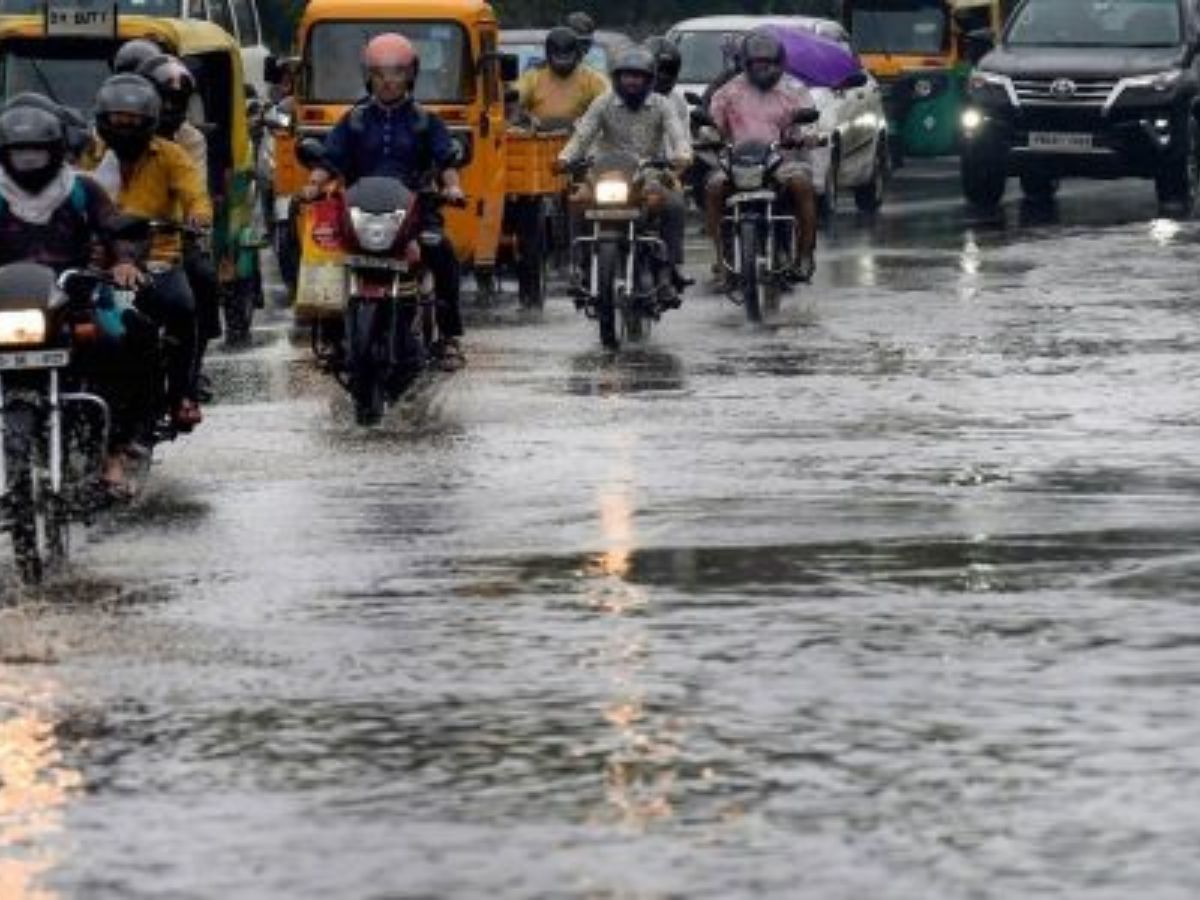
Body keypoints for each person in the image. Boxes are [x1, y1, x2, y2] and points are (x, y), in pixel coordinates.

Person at [0, 102, 147, 492]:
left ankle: (115, 449)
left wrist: (124, 263)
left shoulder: (82, 189)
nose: (28, 161)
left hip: (77, 294)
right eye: (19, 152)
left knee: (120, 341)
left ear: (56, 149)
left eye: (37, 151)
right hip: (9, 303)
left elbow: (116, 227)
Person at [304, 33, 466, 365]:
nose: (388, 82)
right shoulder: (354, 120)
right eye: (380, 74)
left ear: (410, 75)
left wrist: (453, 188)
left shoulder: (426, 121)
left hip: (416, 211)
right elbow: (329, 161)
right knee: (325, 254)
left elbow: (446, 162)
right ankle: (332, 339)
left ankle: (449, 337)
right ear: (369, 77)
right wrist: (313, 185)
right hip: (359, 211)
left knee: (442, 252)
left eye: (396, 73)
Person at [83, 73, 212, 430]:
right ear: (101, 121)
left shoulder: (171, 155)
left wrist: (198, 217)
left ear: (150, 122)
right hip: (98, 259)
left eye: (133, 121)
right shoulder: (89, 153)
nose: (124, 128)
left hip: (158, 254)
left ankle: (182, 393)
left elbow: (194, 192)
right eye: (116, 119)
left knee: (182, 307)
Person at [558, 45, 692, 308]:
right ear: (617, 78)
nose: (632, 81)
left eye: (638, 75)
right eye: (626, 75)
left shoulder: (662, 105)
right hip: (605, 173)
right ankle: (580, 268)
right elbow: (582, 135)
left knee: (674, 203)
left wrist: (682, 154)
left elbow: (677, 135)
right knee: (577, 200)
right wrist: (565, 158)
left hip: (649, 174)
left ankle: (667, 272)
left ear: (649, 79)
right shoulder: (603, 102)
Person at [136, 54, 225, 376]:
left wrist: (196, 217)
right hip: (117, 241)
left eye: (178, 101)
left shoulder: (187, 142)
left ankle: (190, 371)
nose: (170, 108)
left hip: (169, 237)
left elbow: (194, 188)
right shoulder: (110, 135)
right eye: (163, 99)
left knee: (201, 280)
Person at [706, 29, 818, 282]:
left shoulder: (794, 90)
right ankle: (720, 259)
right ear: (746, 64)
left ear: (779, 64)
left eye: (768, 63)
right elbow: (713, 125)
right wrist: (709, 135)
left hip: (782, 162)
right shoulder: (728, 92)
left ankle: (804, 254)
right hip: (738, 163)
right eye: (757, 63)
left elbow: (811, 122)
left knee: (802, 186)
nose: (762, 68)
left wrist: (804, 136)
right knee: (713, 188)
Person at [514, 26, 608, 126]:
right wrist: (523, 115)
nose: (563, 63)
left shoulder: (592, 78)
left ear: (576, 55)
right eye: (558, 58)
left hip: (582, 136)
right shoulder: (533, 77)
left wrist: (589, 120)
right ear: (549, 56)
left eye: (567, 57)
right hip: (537, 138)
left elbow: (609, 103)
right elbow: (514, 98)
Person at [644, 36, 688, 131]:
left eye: (669, 71)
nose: (663, 76)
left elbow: (684, 138)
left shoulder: (678, 101)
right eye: (659, 70)